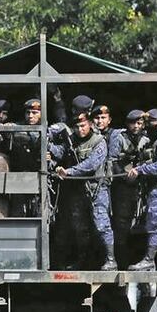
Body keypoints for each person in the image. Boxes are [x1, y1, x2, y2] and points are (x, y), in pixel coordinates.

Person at [49, 111, 111, 269]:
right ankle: (83, 260)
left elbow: (91, 165)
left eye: (83, 125)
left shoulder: (99, 141)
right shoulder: (71, 141)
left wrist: (68, 171)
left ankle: (111, 260)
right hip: (77, 191)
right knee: (79, 227)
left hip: (96, 190)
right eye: (76, 127)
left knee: (101, 225)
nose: (80, 129)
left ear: (90, 124)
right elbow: (60, 151)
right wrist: (47, 145)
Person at [127, 108, 157, 271]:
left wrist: (140, 170)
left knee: (156, 224)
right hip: (150, 189)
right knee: (147, 224)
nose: (148, 124)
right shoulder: (151, 141)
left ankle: (149, 259)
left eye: (151, 121)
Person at [109, 110, 148, 267]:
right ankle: (121, 261)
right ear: (127, 123)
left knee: (142, 224)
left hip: (141, 187)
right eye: (133, 123)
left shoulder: (146, 140)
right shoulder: (119, 138)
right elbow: (112, 161)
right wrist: (124, 176)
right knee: (121, 226)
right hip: (123, 187)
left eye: (139, 123)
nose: (136, 126)